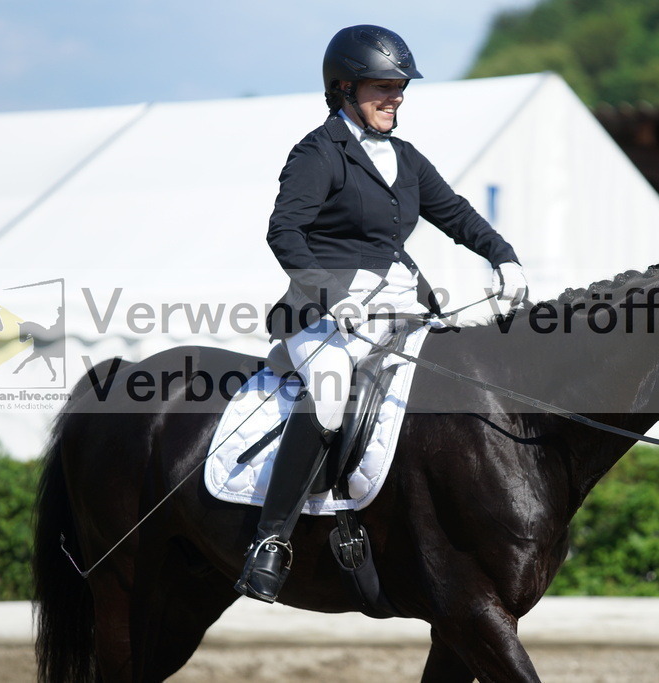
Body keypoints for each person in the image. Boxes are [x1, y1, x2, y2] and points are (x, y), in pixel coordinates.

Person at [234, 24, 528, 603]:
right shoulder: (318, 153)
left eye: (399, 87)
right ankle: (271, 541)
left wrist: (504, 255)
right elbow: (283, 231)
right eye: (382, 87)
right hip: (325, 315)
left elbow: (458, 214)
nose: (395, 97)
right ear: (343, 88)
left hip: (402, 306)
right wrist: (328, 293)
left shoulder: (406, 159)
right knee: (330, 389)